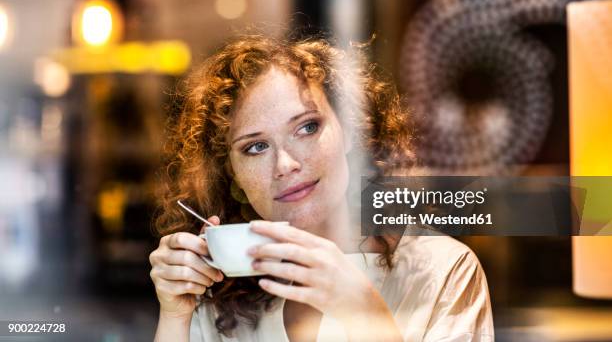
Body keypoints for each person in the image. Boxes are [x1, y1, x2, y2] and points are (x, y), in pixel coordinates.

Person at [149, 34, 494, 342]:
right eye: (256, 147)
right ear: (233, 175)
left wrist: (366, 315)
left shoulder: (441, 271)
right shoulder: (223, 292)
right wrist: (175, 316)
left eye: (307, 127)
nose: (285, 165)